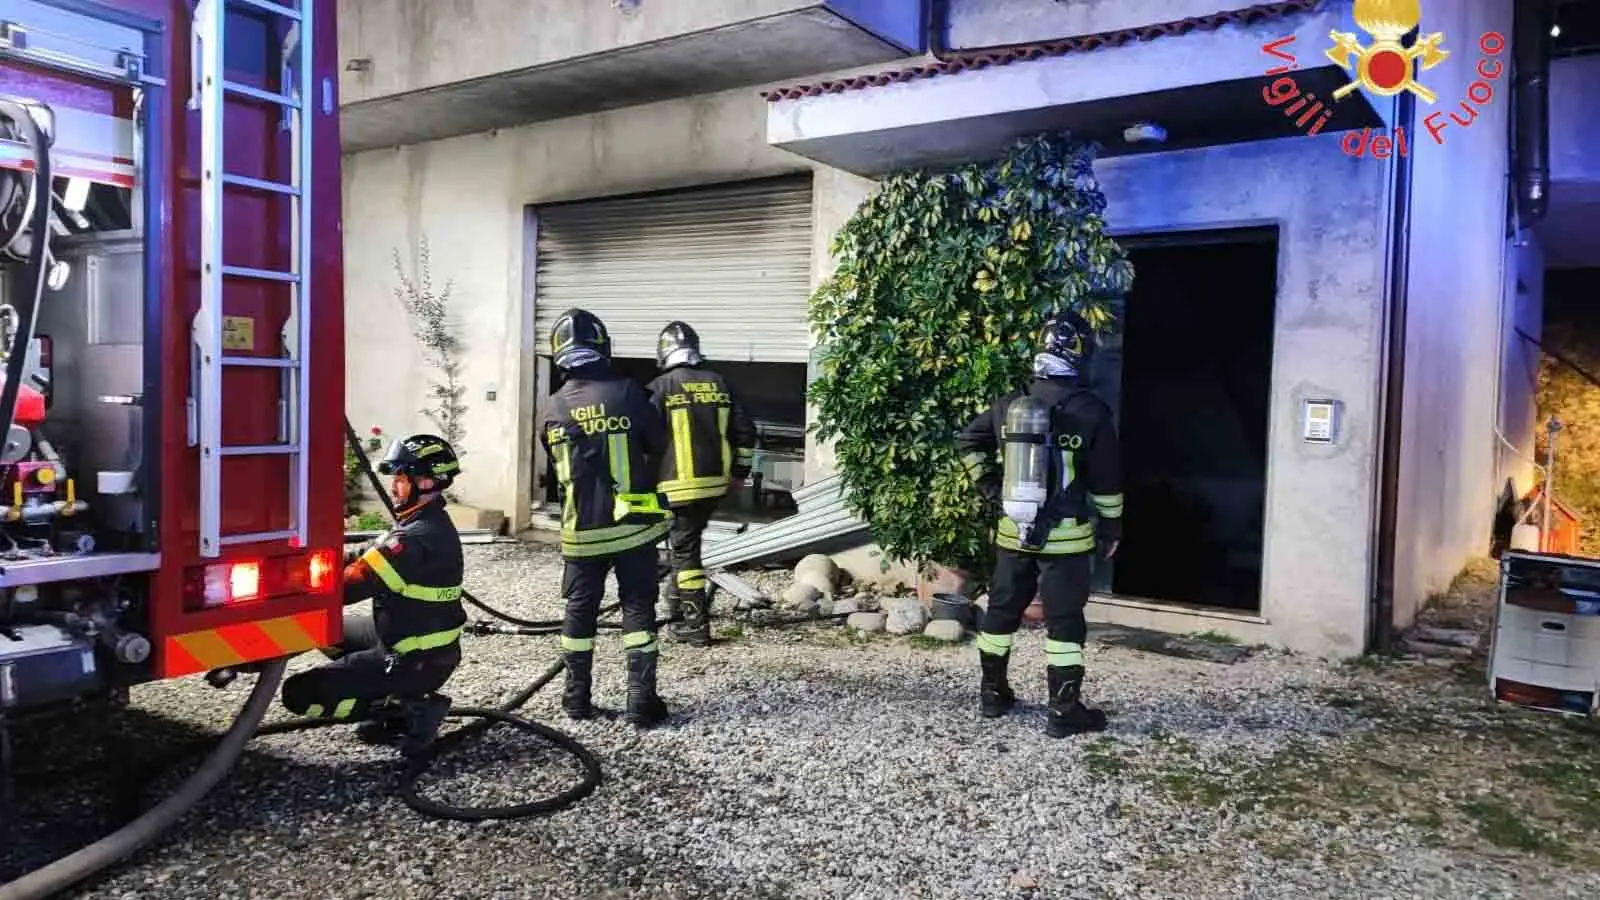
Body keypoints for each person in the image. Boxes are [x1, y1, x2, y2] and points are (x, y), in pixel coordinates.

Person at [955, 310, 1123, 738]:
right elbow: (1106, 482)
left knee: (1001, 612)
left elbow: (968, 441)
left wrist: (990, 488)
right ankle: (1064, 712)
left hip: (1013, 531)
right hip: (1066, 541)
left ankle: (993, 695)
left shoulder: (1011, 403)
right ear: (1080, 354)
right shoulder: (1092, 412)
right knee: (1065, 623)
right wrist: (1112, 529)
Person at [280, 433, 466, 756]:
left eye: (401, 478)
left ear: (425, 482)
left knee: (297, 695)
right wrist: (311, 560)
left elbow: (349, 586)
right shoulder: (422, 522)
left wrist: (289, 585)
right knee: (320, 629)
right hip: (410, 641)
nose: (394, 486)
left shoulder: (415, 539)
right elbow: (363, 555)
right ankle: (393, 701)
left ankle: (406, 710)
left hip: (414, 660)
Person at [540, 307, 674, 727]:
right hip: (633, 528)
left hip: (581, 533)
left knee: (580, 613)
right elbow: (658, 444)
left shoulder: (552, 408)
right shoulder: (630, 393)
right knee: (638, 609)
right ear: (603, 347)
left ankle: (576, 702)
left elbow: (557, 464)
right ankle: (640, 705)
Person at [645, 321, 756, 646]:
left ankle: (696, 626)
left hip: (678, 487)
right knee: (687, 545)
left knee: (685, 551)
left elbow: (643, 440)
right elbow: (745, 433)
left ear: (664, 352)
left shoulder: (659, 388)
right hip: (714, 486)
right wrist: (739, 474)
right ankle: (677, 606)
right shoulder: (718, 383)